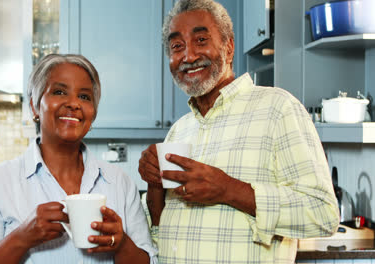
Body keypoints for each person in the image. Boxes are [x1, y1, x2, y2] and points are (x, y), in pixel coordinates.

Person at [138, 0, 339, 263]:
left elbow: (323, 214)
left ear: (229, 47)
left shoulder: (278, 108)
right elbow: (157, 232)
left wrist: (227, 189)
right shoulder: (179, 130)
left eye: (201, 40)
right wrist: (154, 184)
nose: (188, 56)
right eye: (177, 46)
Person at [0, 54, 157, 264]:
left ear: (93, 113)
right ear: (34, 107)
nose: (74, 103)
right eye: (59, 92)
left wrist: (121, 245)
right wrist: (21, 238)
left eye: (84, 97)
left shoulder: (120, 183)